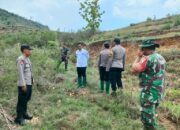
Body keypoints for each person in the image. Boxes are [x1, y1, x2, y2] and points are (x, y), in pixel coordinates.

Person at [132, 40, 166, 130]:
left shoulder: (147, 58)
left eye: (142, 48)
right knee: (152, 113)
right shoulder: (161, 57)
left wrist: (138, 57)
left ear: (145, 49)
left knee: (147, 117)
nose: (141, 50)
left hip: (149, 92)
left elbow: (135, 68)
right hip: (158, 91)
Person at [15, 44, 33, 125]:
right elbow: (20, 73)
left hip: (29, 83)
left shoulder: (27, 59)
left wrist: (32, 79)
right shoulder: (21, 59)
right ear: (25, 50)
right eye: (29, 49)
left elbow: (29, 71)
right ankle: (19, 118)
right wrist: (23, 84)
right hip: (24, 84)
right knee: (21, 101)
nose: (30, 51)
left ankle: (24, 114)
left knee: (26, 99)